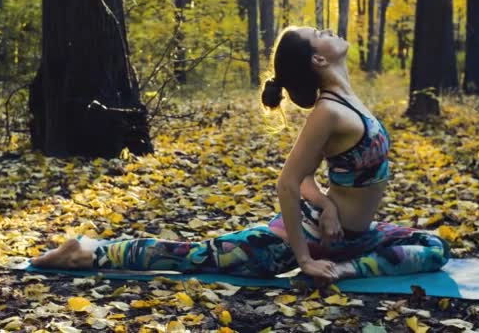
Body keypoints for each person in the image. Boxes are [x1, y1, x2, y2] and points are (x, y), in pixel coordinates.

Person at [31, 26, 450, 285]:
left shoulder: (348, 100)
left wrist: (326, 205)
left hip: (351, 238)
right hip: (295, 242)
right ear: (319, 58)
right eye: (318, 32)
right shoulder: (328, 112)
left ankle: (345, 268)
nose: (328, 29)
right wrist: (303, 258)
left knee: (433, 247)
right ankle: (89, 251)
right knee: (194, 256)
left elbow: (308, 180)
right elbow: (289, 182)